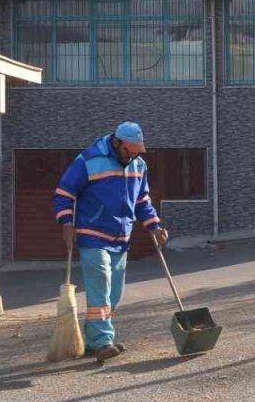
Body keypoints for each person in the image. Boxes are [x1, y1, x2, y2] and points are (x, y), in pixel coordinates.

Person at [52, 122, 169, 363]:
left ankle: (95, 339)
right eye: (130, 150)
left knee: (114, 292)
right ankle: (103, 340)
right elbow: (64, 193)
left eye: (138, 150)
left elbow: (142, 201)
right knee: (101, 283)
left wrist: (155, 226)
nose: (134, 154)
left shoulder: (139, 165)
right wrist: (66, 222)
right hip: (92, 233)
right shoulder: (89, 160)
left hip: (121, 236)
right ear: (116, 143)